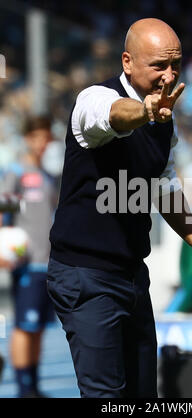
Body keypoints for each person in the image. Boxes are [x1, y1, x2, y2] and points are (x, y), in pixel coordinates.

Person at [47, 18, 192, 398]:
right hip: (85, 275)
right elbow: (112, 116)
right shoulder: (93, 100)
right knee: (106, 397)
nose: (169, 75)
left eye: (176, 64)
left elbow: (164, 185)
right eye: (158, 65)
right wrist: (145, 113)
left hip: (132, 277)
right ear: (126, 62)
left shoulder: (164, 120)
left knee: (144, 396)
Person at [0, 115, 57, 397]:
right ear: (26, 138)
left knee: (38, 328)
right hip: (25, 262)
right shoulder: (17, 172)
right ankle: (24, 389)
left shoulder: (48, 176)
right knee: (24, 325)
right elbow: (2, 213)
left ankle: (34, 386)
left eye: (45, 137)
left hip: (47, 262)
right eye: (35, 137)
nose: (41, 143)